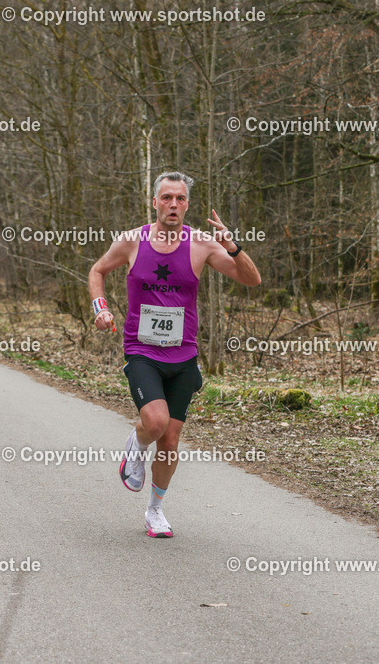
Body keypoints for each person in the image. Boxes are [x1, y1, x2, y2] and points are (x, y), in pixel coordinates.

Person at [89, 171, 261, 538]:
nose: (173, 205)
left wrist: (232, 246)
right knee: (155, 423)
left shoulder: (201, 244)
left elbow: (251, 280)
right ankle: (136, 443)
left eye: (180, 199)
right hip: (142, 351)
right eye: (166, 198)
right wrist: (100, 308)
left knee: (169, 441)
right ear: (155, 202)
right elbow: (97, 270)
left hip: (183, 357)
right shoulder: (133, 241)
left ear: (187, 204)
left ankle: (155, 510)